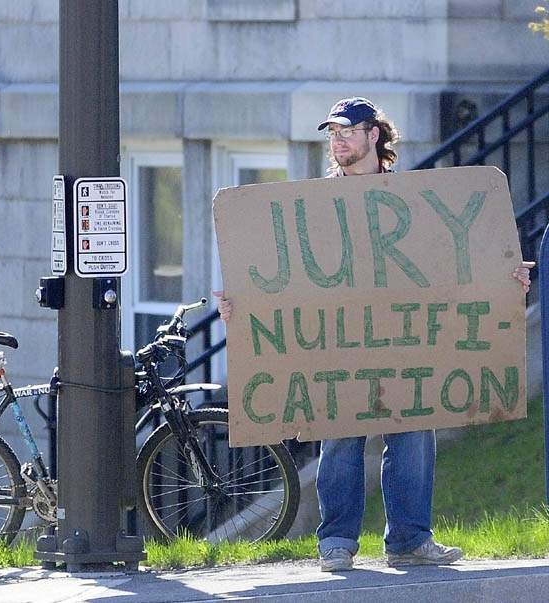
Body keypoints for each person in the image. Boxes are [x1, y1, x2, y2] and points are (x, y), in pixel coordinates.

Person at [213, 97, 535, 572]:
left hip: (404, 343)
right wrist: (242, 306)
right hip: (340, 346)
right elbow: (288, 278)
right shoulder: (311, 204)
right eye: (332, 133)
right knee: (340, 437)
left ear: (374, 135)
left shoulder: (412, 201)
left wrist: (504, 279)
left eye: (346, 130)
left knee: (413, 434)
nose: (338, 140)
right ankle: (337, 542)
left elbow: (448, 266)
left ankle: (409, 538)